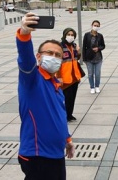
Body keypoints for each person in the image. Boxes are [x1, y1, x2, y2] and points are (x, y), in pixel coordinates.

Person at [16, 12, 75, 179]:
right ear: (39, 56)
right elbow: (25, 59)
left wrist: (67, 140)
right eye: (50, 53)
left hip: (56, 154)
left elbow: (58, 116)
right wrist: (24, 33)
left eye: (58, 55)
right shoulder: (32, 79)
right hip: (38, 156)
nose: (54, 57)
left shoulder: (55, 84)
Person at [58, 27, 83, 121]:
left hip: (74, 77)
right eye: (68, 35)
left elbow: (76, 59)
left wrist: (78, 51)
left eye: (72, 35)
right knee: (67, 99)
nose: (70, 36)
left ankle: (69, 115)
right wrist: (59, 77)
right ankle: (64, 115)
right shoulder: (60, 47)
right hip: (65, 77)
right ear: (64, 35)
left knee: (72, 98)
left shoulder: (74, 46)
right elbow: (58, 63)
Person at [82, 20, 105, 94]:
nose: (96, 27)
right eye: (95, 25)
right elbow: (84, 47)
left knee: (97, 73)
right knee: (90, 73)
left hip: (98, 58)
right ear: (92, 25)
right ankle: (92, 87)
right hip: (89, 58)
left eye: (98, 26)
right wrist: (84, 58)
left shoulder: (100, 36)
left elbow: (103, 45)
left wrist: (98, 48)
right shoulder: (87, 35)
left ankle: (97, 86)